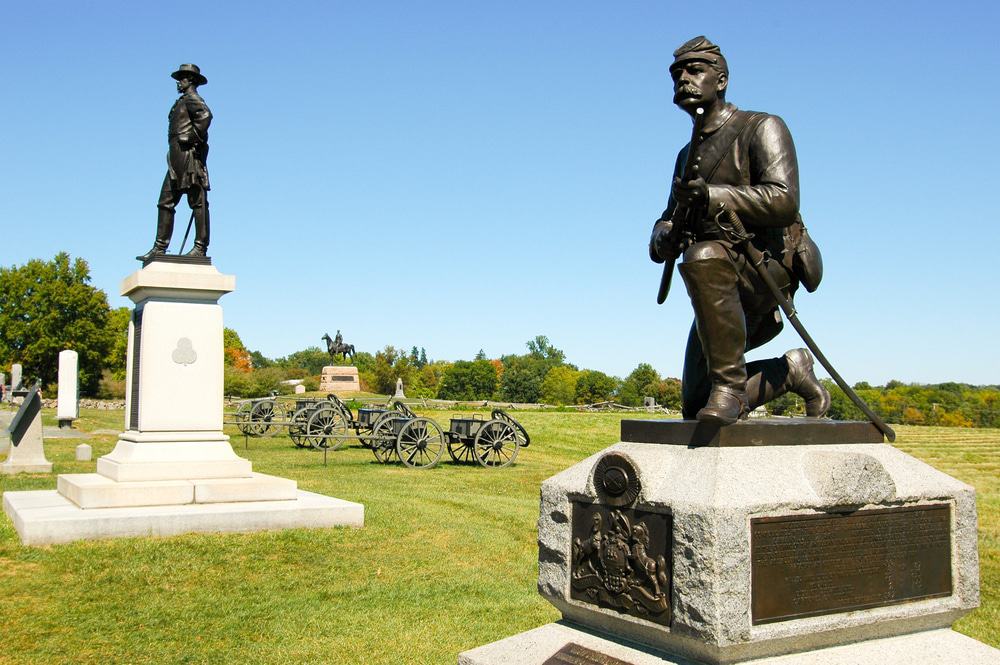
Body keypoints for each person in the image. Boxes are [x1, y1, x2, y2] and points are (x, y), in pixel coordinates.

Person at [649, 36, 830, 424]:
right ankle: (791, 372)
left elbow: (783, 199)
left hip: (762, 266)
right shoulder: (686, 155)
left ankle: (730, 388)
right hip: (715, 280)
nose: (684, 78)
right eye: (677, 73)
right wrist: (662, 236)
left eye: (695, 70)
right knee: (694, 404)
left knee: (702, 253)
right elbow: (668, 215)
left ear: (722, 79)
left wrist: (713, 196)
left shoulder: (761, 127)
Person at [137, 64, 213, 261]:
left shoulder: (192, 98)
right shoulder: (182, 101)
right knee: (165, 202)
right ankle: (159, 247)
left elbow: (206, 115)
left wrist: (193, 136)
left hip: (188, 156)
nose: (179, 83)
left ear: (191, 80)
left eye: (182, 79)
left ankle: (200, 246)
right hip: (175, 157)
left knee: (197, 202)